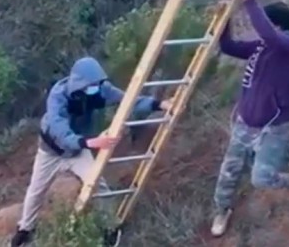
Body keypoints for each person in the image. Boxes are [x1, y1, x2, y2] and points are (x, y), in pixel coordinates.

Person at [10, 56, 173, 247]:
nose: (95, 87)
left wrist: (158, 104)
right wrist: (91, 142)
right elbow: (60, 131)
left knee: (98, 185)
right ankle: (25, 230)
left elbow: (128, 100)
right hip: (52, 152)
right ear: (79, 83)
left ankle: (110, 228)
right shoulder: (58, 96)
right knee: (36, 191)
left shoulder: (100, 91)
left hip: (79, 150)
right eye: (91, 84)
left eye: (96, 83)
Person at [210, 0, 289, 238]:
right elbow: (229, 46)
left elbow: (270, 36)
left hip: (275, 127)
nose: (261, 30)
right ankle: (222, 209)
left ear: (277, 25)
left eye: (267, 22)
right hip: (245, 122)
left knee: (261, 178)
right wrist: (224, 21)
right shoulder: (262, 46)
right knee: (228, 171)